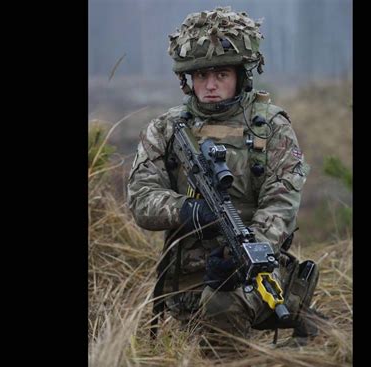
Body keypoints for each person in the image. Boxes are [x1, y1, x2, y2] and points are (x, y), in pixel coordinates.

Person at [127, 6, 320, 349]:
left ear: (241, 75)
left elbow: (282, 200)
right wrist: (190, 211)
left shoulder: (271, 127)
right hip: (185, 276)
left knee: (223, 306)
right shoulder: (167, 129)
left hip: (255, 262)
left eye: (221, 74)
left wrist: (249, 251)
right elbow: (141, 199)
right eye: (201, 76)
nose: (211, 85)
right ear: (188, 79)